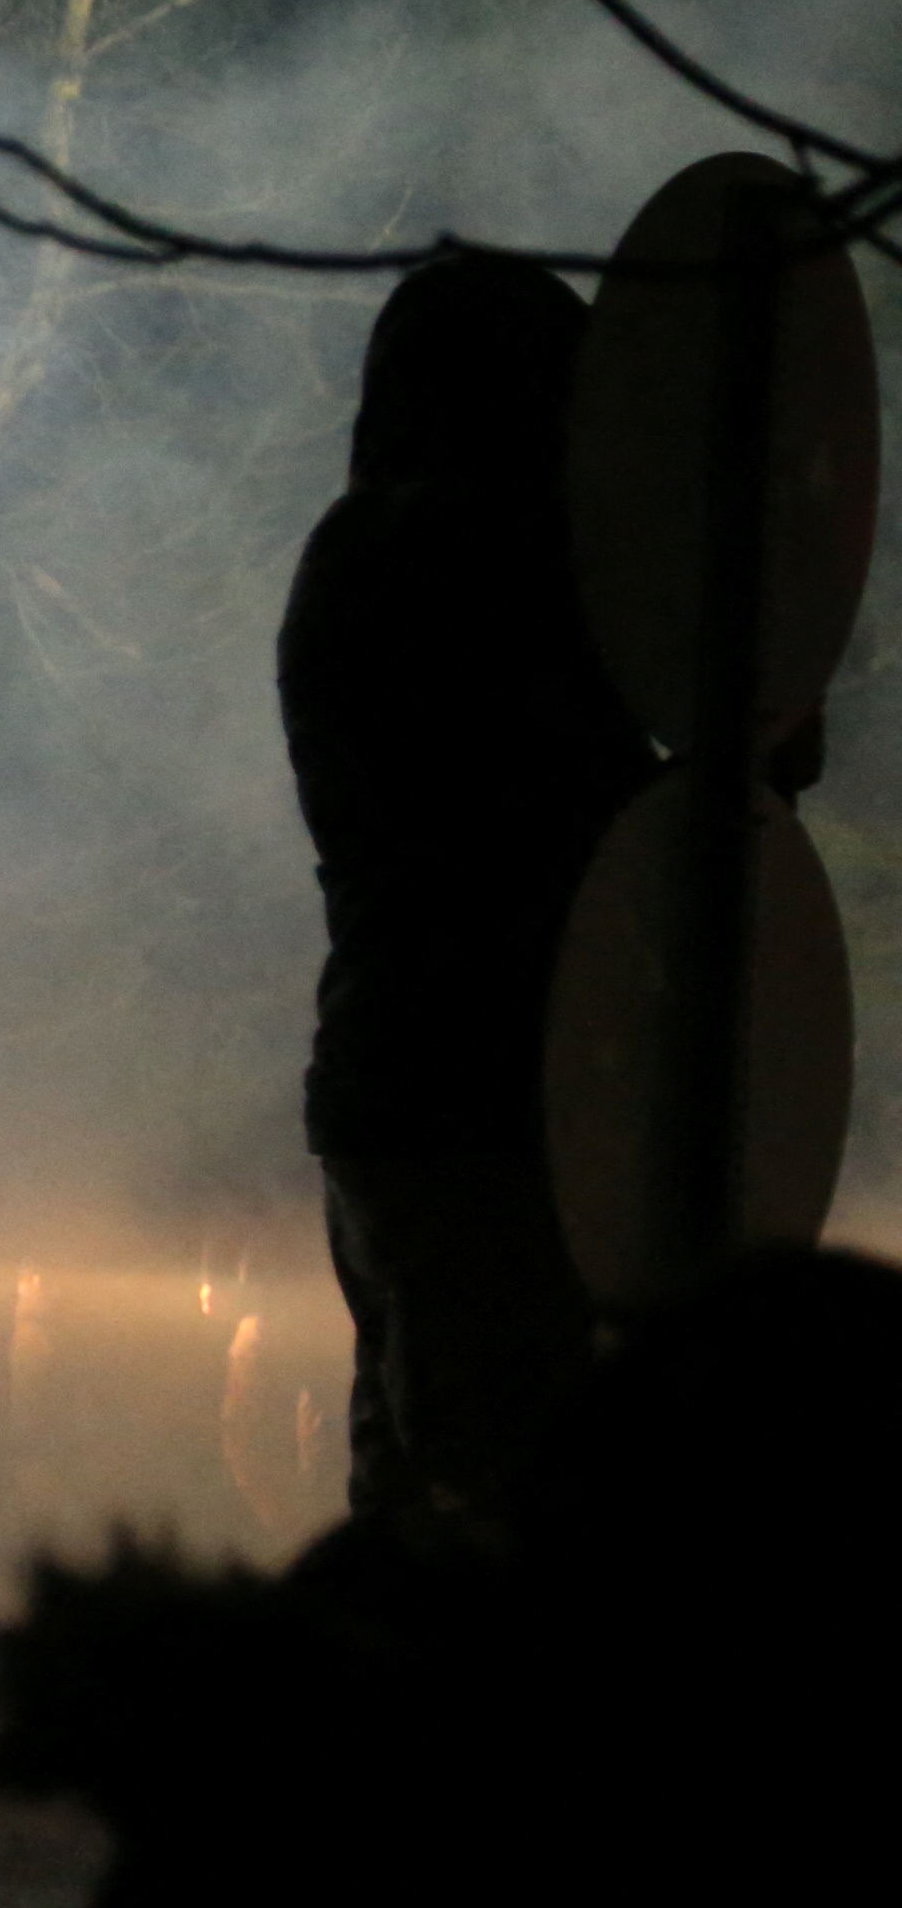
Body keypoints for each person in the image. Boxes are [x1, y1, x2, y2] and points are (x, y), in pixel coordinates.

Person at [275, 252, 655, 1529]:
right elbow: (596, 789)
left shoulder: (357, 553)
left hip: (395, 1079)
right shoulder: (488, 557)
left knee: (417, 1484)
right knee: (499, 1495)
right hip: (493, 1090)